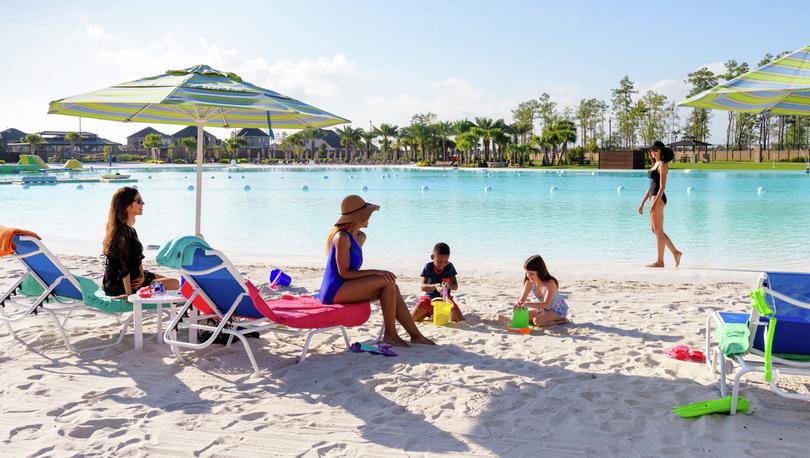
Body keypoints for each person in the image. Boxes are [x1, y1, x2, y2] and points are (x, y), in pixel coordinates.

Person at [319, 195, 435, 347]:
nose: (369, 218)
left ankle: (414, 335)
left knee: (390, 285)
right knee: (387, 281)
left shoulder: (360, 237)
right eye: (368, 214)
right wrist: (376, 272)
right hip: (335, 290)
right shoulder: (341, 237)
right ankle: (391, 335)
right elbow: (344, 273)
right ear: (358, 216)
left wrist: (377, 273)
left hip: (346, 285)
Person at [102, 187, 179, 299]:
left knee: (172, 283)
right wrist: (128, 293)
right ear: (127, 205)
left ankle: (146, 288)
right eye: (139, 201)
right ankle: (142, 291)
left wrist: (142, 275)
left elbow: (137, 258)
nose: (142, 204)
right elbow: (123, 266)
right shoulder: (121, 233)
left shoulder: (130, 230)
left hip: (136, 277)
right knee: (174, 284)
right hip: (120, 284)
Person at [638, 140, 683, 268]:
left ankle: (660, 261)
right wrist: (642, 203)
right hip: (653, 197)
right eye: (651, 150)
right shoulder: (655, 164)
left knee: (658, 230)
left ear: (661, 152)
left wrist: (655, 202)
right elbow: (651, 186)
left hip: (659, 198)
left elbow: (662, 186)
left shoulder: (663, 164)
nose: (652, 152)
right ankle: (675, 252)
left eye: (655, 150)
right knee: (655, 230)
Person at [412, 242, 463, 322]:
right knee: (413, 318)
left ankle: (436, 312)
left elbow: (455, 286)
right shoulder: (428, 266)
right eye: (439, 261)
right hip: (429, 298)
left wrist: (447, 286)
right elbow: (422, 286)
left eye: (445, 261)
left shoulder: (449, 267)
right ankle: (431, 312)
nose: (442, 264)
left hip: (445, 298)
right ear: (432, 257)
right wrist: (435, 286)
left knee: (459, 320)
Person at [515, 255, 569, 327]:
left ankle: (562, 321)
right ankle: (543, 318)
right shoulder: (529, 282)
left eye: (532, 274)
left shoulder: (550, 283)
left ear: (540, 272)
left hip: (556, 310)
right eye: (527, 273)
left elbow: (546, 304)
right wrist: (519, 305)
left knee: (537, 321)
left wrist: (526, 304)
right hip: (541, 309)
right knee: (521, 317)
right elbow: (522, 300)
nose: (528, 276)